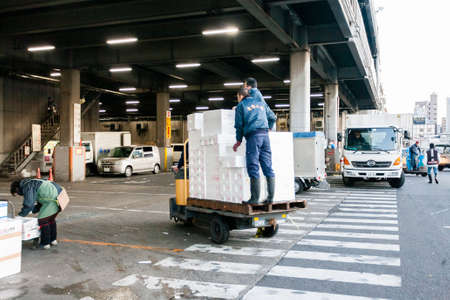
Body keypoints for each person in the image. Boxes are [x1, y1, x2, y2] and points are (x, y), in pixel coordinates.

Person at [233, 80, 277, 204]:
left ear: (241, 96)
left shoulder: (241, 106)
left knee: (253, 166)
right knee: (267, 167)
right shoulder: (260, 102)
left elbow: (239, 126)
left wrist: (238, 141)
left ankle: (254, 199)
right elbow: (273, 117)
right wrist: (269, 128)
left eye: (237, 97)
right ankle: (270, 198)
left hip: (253, 137)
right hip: (265, 137)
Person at [10, 178, 63, 249]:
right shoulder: (33, 182)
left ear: (17, 189)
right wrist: (33, 210)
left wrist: (21, 215)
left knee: (43, 220)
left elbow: (29, 203)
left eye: (17, 193)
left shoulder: (27, 186)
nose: (20, 195)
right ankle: (53, 240)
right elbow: (41, 198)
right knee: (50, 219)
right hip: (60, 196)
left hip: (53, 199)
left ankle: (45, 243)